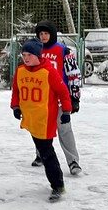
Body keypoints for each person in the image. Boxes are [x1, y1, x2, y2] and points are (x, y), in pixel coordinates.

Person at [12, 40, 73, 202]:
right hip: (30, 118)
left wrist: (66, 110)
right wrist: (15, 107)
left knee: (46, 152)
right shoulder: (20, 71)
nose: (25, 58)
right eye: (23, 55)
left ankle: (57, 185)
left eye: (29, 55)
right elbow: (16, 90)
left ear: (38, 56)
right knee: (43, 149)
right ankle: (56, 183)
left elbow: (63, 92)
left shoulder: (49, 72)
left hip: (45, 119)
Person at [35, 22, 82, 176]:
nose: (43, 37)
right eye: (41, 34)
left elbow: (73, 74)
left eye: (46, 34)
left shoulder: (64, 51)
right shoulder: (35, 51)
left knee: (64, 129)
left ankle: (73, 161)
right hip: (41, 99)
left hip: (60, 98)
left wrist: (74, 97)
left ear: (52, 34)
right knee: (40, 127)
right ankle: (41, 154)